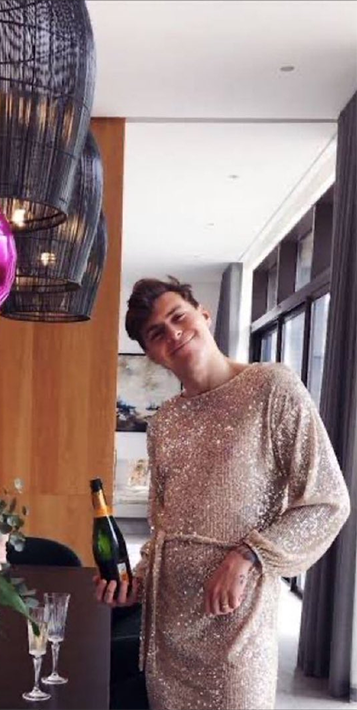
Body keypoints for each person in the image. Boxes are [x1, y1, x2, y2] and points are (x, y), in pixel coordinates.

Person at [95, 277, 350, 710]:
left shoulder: (272, 388)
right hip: (168, 632)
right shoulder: (165, 422)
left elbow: (327, 501)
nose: (174, 333)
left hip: (237, 625)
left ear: (204, 315)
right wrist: (135, 582)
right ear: (152, 354)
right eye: (157, 333)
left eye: (179, 317)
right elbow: (162, 526)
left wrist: (247, 555)